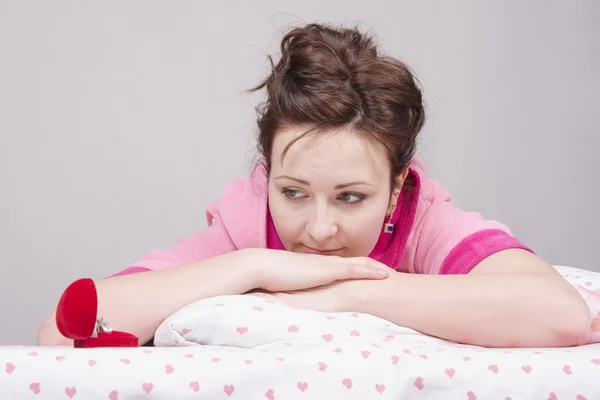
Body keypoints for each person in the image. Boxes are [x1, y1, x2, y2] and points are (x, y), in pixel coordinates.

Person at [37, 22, 591, 349]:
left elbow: (561, 313)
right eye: (293, 192)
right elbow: (63, 333)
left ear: (397, 189)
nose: (318, 229)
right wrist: (251, 266)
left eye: (351, 197)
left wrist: (348, 294)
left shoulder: (425, 222)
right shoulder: (250, 222)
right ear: (268, 175)